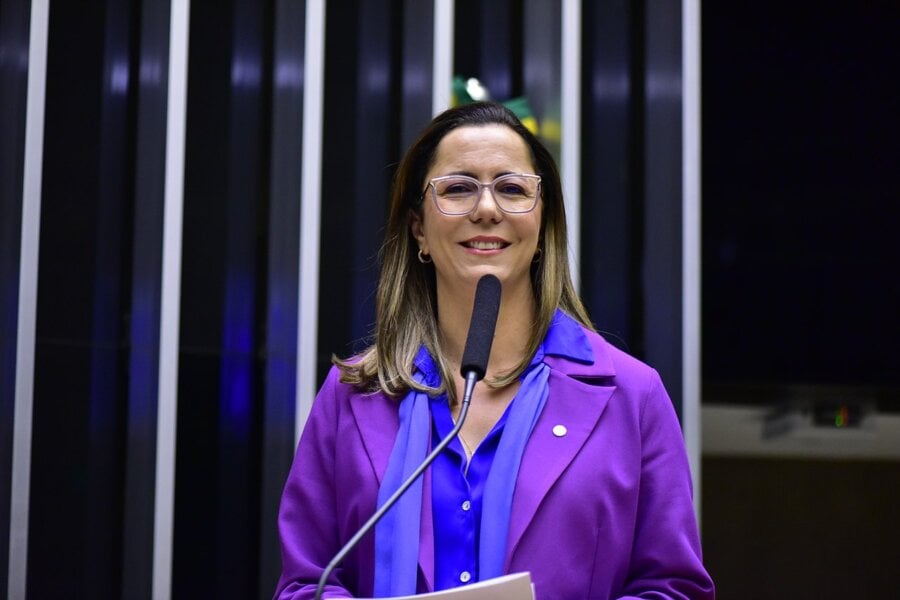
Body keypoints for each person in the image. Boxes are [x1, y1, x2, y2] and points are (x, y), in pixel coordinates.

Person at [274, 102, 714, 599]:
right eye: (458, 188)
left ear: (543, 226)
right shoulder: (352, 396)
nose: (487, 209)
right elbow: (306, 584)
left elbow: (673, 589)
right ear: (418, 227)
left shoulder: (632, 396)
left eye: (512, 189)